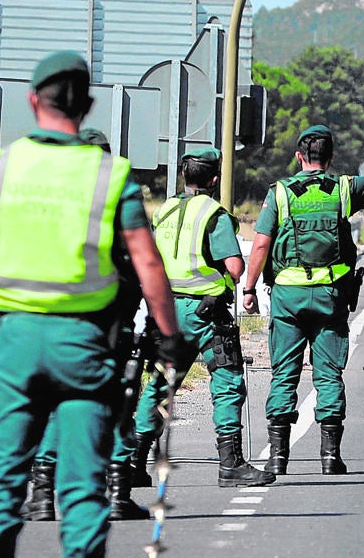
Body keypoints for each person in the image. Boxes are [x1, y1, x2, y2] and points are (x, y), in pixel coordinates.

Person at [0, 51, 188, 557]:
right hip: (85, 346)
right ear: (88, 105)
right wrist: (170, 338)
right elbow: (148, 263)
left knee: (2, 485)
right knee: (83, 490)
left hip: (13, 345)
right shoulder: (112, 175)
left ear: (33, 101)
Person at [243, 105, 364, 475]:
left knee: (284, 374)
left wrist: (249, 289)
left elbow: (260, 245)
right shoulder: (344, 190)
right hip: (331, 298)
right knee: (329, 374)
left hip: (287, 299)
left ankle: (278, 457)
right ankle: (330, 457)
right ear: (331, 158)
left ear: (299, 156)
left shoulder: (281, 194)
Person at [20, 127, 153, 522]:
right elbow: (145, 262)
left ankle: (43, 497)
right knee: (117, 404)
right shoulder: (121, 199)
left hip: (59, 322)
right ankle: (116, 495)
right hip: (112, 323)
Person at [126, 147, 274, 487]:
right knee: (226, 385)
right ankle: (231, 464)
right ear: (215, 179)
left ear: (183, 176)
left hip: (165, 311)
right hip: (206, 313)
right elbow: (235, 267)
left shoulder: (163, 210)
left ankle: (134, 461)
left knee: (162, 382)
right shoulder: (213, 214)